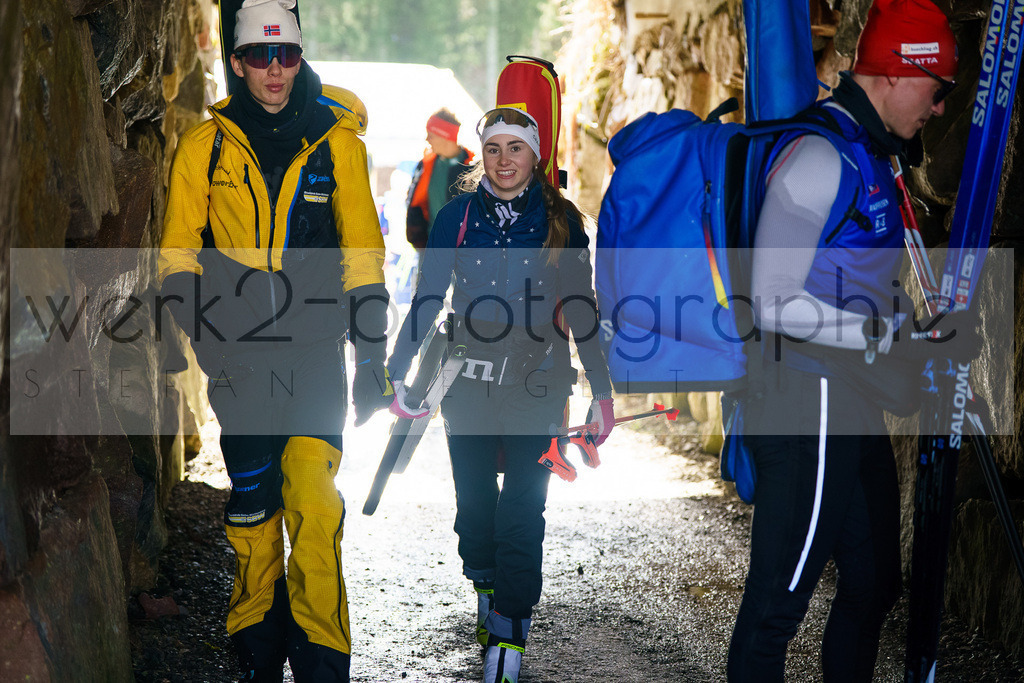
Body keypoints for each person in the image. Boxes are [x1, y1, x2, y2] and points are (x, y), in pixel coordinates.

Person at [728, 1, 981, 681]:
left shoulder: (872, 155)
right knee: (777, 606)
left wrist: (920, 329)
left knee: (872, 584)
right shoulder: (820, 156)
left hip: (847, 395)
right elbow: (775, 300)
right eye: (937, 91)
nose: (936, 110)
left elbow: (850, 279)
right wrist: (888, 333)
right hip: (802, 399)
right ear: (900, 73)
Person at [158, 0, 398, 680]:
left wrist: (373, 354)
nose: (274, 69)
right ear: (237, 62)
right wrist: (207, 336)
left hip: (317, 357)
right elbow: (175, 255)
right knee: (252, 504)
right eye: (260, 57)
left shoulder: (339, 144)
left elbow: (362, 255)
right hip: (239, 362)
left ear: (299, 58)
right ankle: (256, 642)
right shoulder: (205, 148)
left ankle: (323, 652)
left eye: (286, 55)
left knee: (315, 501)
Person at [386, 107, 614, 683]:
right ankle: (485, 583)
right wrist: (395, 371)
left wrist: (602, 393)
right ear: (481, 154)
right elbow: (427, 299)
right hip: (464, 386)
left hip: (539, 386)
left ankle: (508, 633)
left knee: (522, 510)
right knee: (475, 510)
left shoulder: (562, 220)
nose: (505, 159)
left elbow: (581, 308)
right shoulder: (455, 218)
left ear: (535, 156)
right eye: (494, 149)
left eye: (517, 148)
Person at [405, 108, 475, 250]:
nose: (427, 139)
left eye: (431, 134)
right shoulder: (425, 165)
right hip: (429, 246)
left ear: (445, 135)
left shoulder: (472, 168)